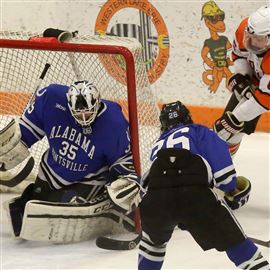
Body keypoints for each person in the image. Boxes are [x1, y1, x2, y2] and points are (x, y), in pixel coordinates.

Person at [0, 80, 141, 242]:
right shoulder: (50, 98)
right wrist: (8, 148)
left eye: (87, 113)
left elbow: (122, 164)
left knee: (58, 222)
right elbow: (25, 133)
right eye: (78, 113)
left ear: (97, 103)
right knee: (25, 213)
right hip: (51, 172)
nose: (83, 118)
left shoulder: (114, 123)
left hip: (88, 179)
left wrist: (126, 180)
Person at [138, 101, 269, 270]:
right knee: (235, 242)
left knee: (152, 244)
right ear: (188, 118)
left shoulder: (157, 145)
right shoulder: (199, 131)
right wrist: (231, 189)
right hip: (195, 195)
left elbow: (149, 186)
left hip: (156, 198)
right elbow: (225, 176)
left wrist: (172, 212)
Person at [214, 5, 270, 155]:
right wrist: (242, 76)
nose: (251, 42)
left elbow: (266, 100)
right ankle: (222, 168)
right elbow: (240, 55)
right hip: (262, 84)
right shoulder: (244, 29)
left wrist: (235, 117)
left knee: (232, 124)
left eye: (258, 39)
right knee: (230, 131)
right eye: (249, 36)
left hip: (266, 93)